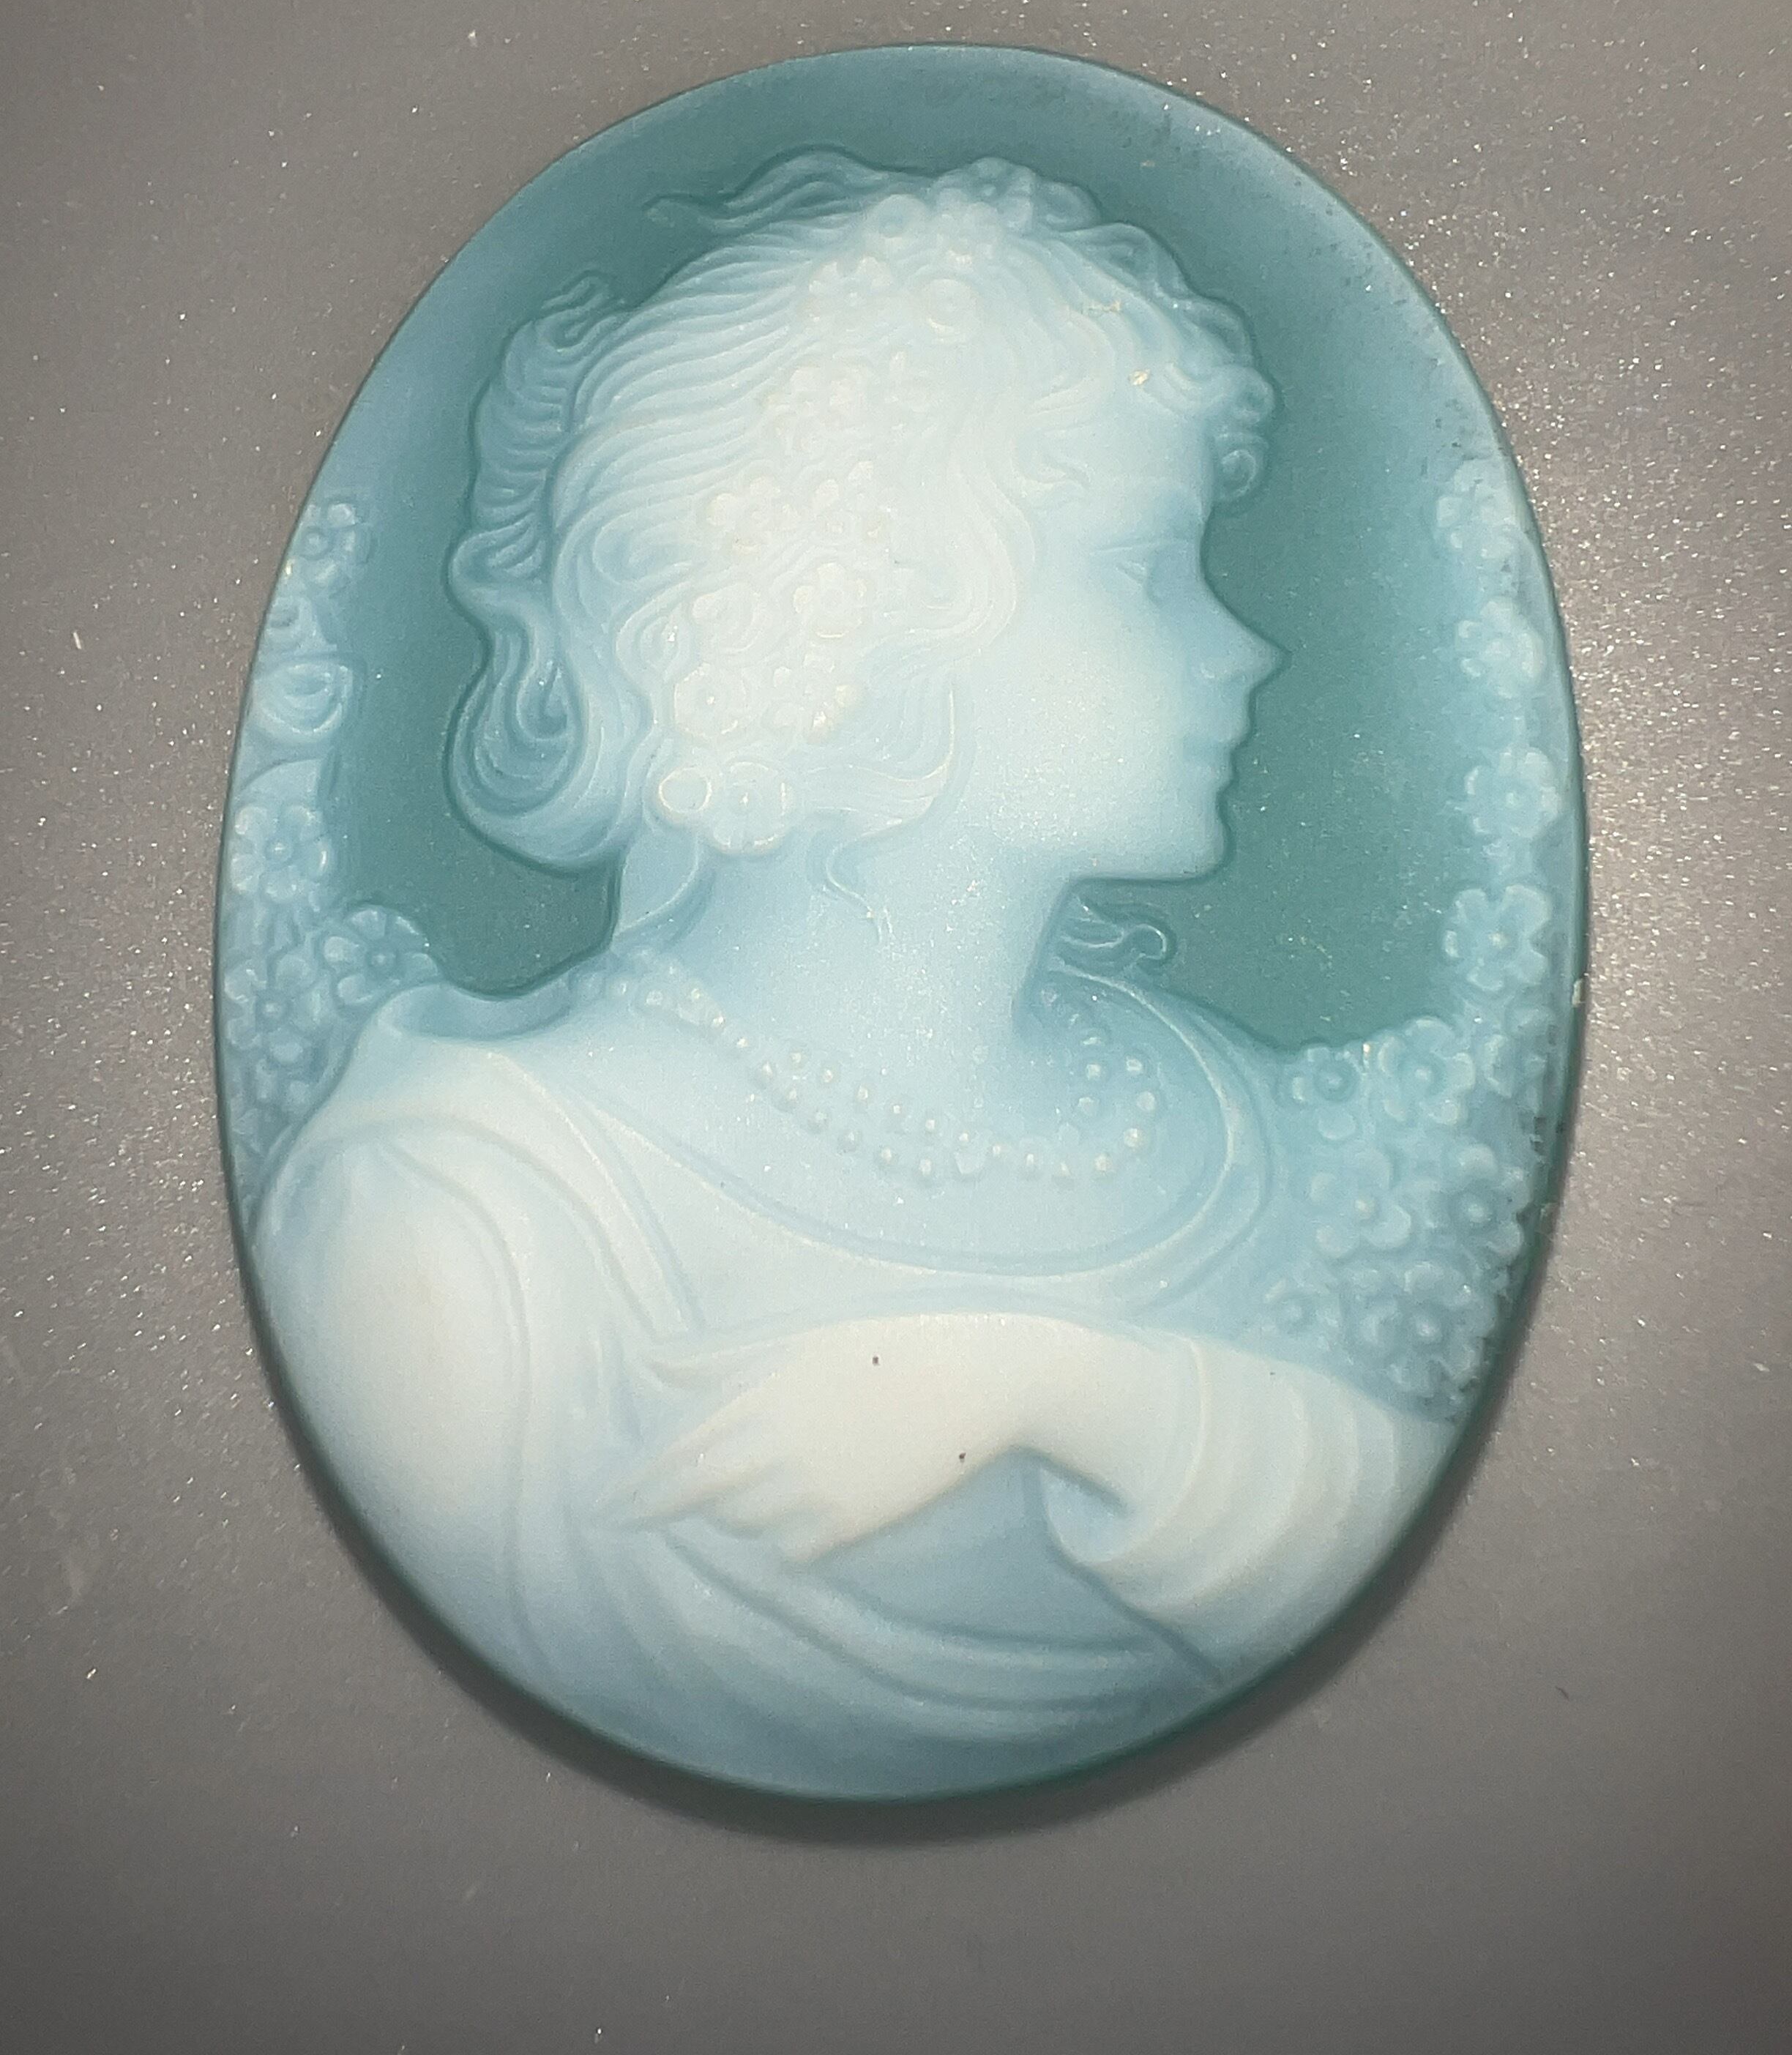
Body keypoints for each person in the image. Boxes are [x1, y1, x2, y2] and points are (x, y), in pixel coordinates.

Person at [255, 154, 1447, 1797]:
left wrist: (1073, 1394)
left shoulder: (1216, 1116)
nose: (1241, 648)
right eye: (1142, 566)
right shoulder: (467, 1222)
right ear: (869, 626)